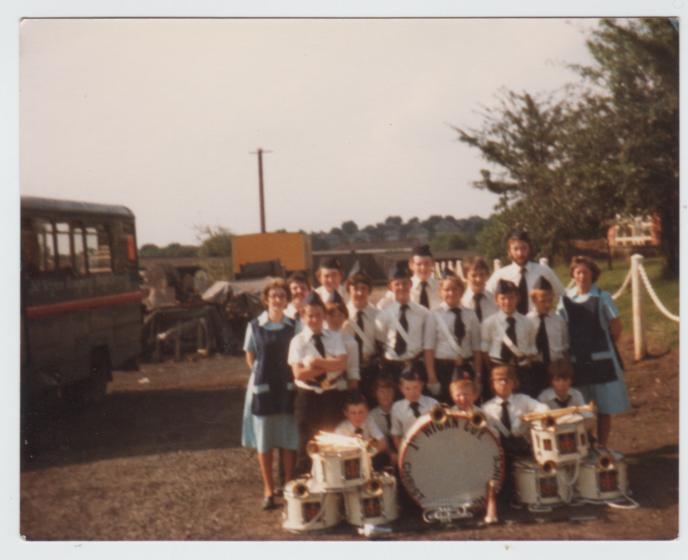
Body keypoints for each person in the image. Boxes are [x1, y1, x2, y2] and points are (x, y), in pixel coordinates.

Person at [558, 255, 630, 448]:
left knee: (604, 407)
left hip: (602, 359)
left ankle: (602, 446)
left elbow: (616, 327)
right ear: (573, 274)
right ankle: (588, 444)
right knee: (583, 407)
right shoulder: (565, 299)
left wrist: (599, 345)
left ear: (592, 274)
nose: (582, 276)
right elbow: (561, 327)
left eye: (586, 272)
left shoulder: (602, 297)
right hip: (577, 360)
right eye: (578, 272)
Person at [241, 279, 298, 510]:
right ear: (266, 299)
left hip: (287, 388)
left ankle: (288, 487)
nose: (277, 300)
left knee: (287, 439)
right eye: (273, 296)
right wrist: (262, 376)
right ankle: (268, 489)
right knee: (264, 442)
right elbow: (250, 356)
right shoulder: (254, 326)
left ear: (287, 300)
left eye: (281, 296)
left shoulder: (294, 326)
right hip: (263, 388)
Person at [288, 291, 348, 474]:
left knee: (331, 441)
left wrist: (316, 362)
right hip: (308, 397)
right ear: (303, 317)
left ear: (324, 316)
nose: (315, 320)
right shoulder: (297, 341)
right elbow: (299, 374)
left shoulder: (334, 337)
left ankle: (332, 485)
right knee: (307, 443)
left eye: (319, 315)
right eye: (310, 316)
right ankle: (307, 490)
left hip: (331, 394)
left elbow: (342, 363)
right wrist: (329, 366)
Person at [482, 365, 549, 506]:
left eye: (507, 380)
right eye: (499, 380)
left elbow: (544, 409)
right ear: (492, 384)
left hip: (523, 446)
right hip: (500, 450)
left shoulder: (523, 400)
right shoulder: (486, 408)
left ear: (514, 383)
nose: (503, 384)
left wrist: (527, 417)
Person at [423, 272, 483, 404]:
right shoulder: (434, 315)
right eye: (447, 289)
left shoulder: (470, 314)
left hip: (466, 366)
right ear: (440, 292)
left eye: (455, 289)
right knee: (447, 407)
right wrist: (432, 377)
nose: (451, 293)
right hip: (444, 369)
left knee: (469, 405)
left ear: (462, 291)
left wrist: (478, 376)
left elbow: (477, 348)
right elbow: (429, 349)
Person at [375, 260, 432, 391]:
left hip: (415, 365)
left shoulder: (422, 312)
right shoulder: (383, 314)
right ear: (390, 287)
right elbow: (381, 340)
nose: (401, 287)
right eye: (397, 284)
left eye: (405, 283)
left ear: (411, 284)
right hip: (391, 366)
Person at [480, 279, 538, 397]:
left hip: (521, 369)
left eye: (511, 297)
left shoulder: (527, 322)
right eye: (503, 298)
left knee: (523, 400)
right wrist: (492, 369)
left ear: (518, 298)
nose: (507, 302)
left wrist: (526, 361)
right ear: (496, 300)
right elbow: (484, 349)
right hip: (498, 368)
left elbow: (532, 346)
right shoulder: (489, 322)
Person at [485, 230, 565, 315]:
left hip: (538, 324)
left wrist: (554, 315)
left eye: (524, 248)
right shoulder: (500, 275)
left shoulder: (544, 271)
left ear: (529, 248)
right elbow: (486, 298)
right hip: (512, 325)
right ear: (509, 251)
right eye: (515, 249)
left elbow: (562, 296)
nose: (520, 253)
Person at [526, 276, 569, 398]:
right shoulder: (527, 321)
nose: (547, 304)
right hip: (535, 368)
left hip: (555, 366)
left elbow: (565, 346)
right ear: (534, 299)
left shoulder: (559, 321)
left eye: (550, 300)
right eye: (543, 301)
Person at [461, 257, 498, 402]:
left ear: (487, 275)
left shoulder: (495, 301)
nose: (478, 279)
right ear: (465, 276)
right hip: (470, 357)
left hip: (491, 356)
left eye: (482, 275)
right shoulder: (461, 302)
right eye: (473, 275)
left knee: (493, 397)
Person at [344, 271, 380, 404]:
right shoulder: (341, 314)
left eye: (363, 289)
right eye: (355, 289)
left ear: (369, 291)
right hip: (348, 368)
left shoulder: (378, 315)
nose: (359, 293)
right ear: (349, 290)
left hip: (370, 367)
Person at [335, 392, 390, 469]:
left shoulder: (369, 421)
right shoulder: (341, 430)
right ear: (346, 413)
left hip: (368, 458)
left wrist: (368, 454)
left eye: (361, 412)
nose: (358, 416)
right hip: (349, 462)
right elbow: (339, 453)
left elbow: (383, 442)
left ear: (367, 411)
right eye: (353, 413)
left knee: (383, 458)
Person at [377, 244, 441, 310]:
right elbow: (381, 306)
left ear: (433, 264)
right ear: (411, 265)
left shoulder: (441, 287)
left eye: (426, 264)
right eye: (419, 264)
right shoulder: (402, 286)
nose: (423, 268)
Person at [390, 369, 439, 450]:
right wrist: (403, 455)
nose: (412, 392)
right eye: (407, 388)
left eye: (415, 387)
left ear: (422, 385)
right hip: (410, 449)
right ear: (401, 388)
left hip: (432, 446)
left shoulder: (433, 404)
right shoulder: (397, 407)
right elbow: (396, 434)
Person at [324, 291, 360, 391]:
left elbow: (353, 371)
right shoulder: (319, 337)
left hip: (339, 387)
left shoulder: (350, 342)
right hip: (318, 387)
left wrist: (353, 394)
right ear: (324, 316)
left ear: (345, 317)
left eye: (340, 315)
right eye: (331, 315)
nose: (335, 319)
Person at [368, 375, 399, 466]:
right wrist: (390, 455)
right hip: (386, 456)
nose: (386, 395)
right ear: (375, 394)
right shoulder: (372, 416)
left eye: (389, 392)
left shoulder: (400, 410)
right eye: (381, 392)